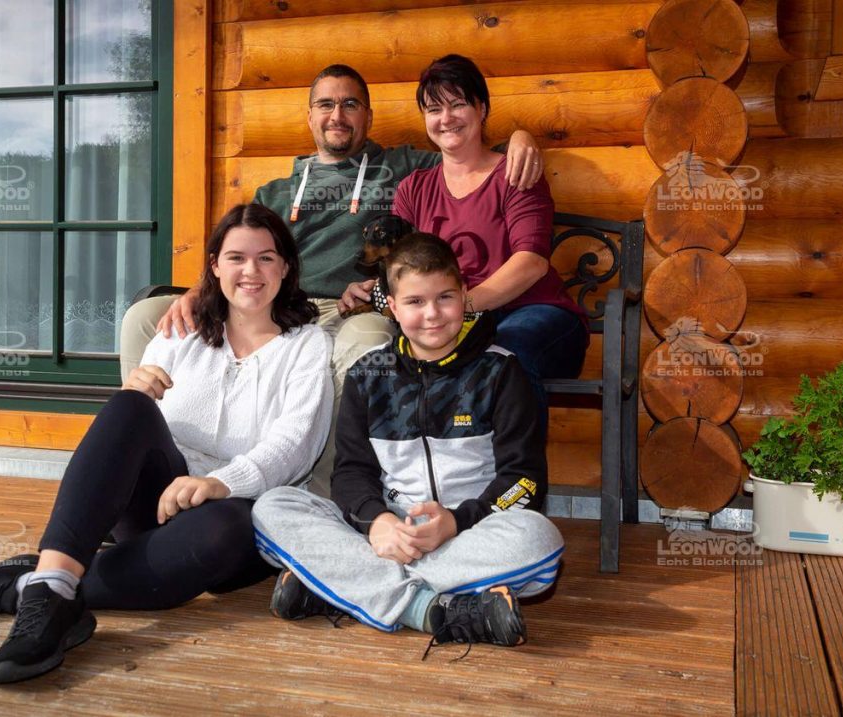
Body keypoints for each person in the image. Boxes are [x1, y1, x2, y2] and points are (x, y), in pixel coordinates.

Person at [0, 203, 333, 684]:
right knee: (129, 406)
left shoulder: (307, 345)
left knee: (230, 524)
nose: (250, 271)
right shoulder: (181, 330)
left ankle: (33, 587)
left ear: (286, 268)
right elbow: (131, 433)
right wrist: (137, 390)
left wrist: (219, 482)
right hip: (155, 504)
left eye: (266, 258)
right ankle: (51, 593)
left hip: (233, 517)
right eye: (236, 258)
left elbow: (295, 442)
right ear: (215, 266)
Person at [121, 64, 544, 495]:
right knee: (145, 316)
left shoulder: (398, 167)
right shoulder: (277, 191)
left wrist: (519, 140)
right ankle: (144, 462)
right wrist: (199, 291)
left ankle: (323, 496)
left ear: (368, 117)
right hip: (272, 303)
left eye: (350, 104)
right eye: (325, 104)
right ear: (309, 117)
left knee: (369, 342)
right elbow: (241, 249)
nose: (337, 115)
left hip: (349, 309)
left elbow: (463, 146)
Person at [252, 234, 564, 657]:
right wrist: (377, 521)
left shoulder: (501, 371)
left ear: (465, 296)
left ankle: (341, 587)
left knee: (539, 537)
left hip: (471, 531)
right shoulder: (369, 374)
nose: (432, 314)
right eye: (415, 302)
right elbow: (350, 473)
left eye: (445, 298)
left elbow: (524, 482)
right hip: (387, 534)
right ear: (393, 308)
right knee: (273, 507)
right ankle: (431, 610)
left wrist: (456, 522)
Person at [339, 54, 589, 434]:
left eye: (458, 104)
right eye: (434, 108)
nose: (446, 117)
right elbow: (405, 268)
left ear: (482, 109)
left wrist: (461, 306)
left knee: (502, 353)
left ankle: (517, 482)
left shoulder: (514, 172)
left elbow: (532, 262)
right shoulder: (413, 189)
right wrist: (376, 291)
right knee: (398, 356)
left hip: (532, 312)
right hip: (451, 318)